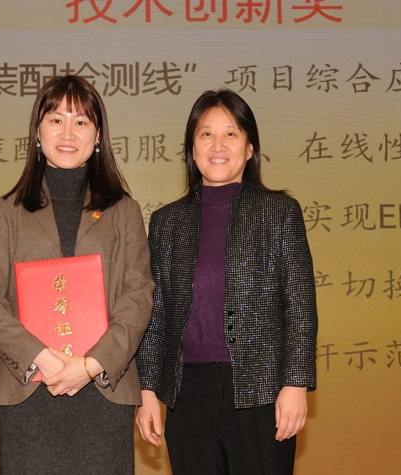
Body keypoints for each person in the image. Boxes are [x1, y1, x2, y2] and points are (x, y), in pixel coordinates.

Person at [0, 75, 154, 474]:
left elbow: (139, 297)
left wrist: (91, 364)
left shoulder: (124, 211)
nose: (68, 133)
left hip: (102, 391)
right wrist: (39, 357)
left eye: (81, 121)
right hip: (29, 392)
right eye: (56, 120)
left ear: (98, 135)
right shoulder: (6, 211)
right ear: (37, 131)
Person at [135, 88, 318, 474]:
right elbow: (155, 315)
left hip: (261, 391)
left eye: (230, 133)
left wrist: (295, 384)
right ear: (192, 148)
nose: (217, 145)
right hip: (187, 394)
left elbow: (300, 306)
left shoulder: (279, 212)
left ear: (249, 148)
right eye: (206, 134)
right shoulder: (166, 222)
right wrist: (147, 390)